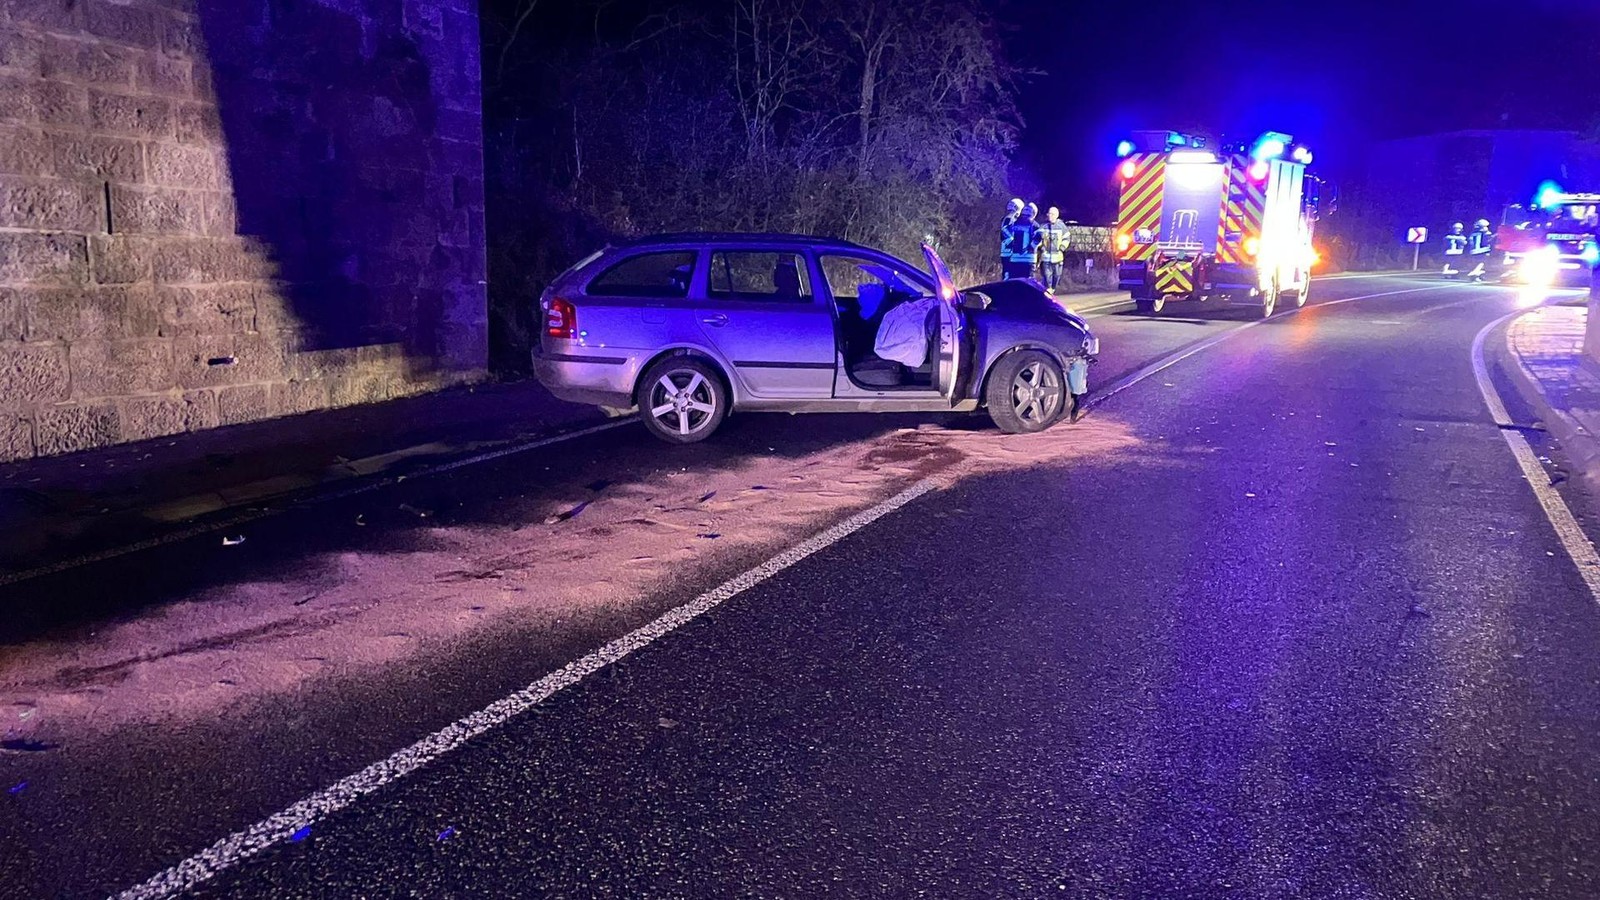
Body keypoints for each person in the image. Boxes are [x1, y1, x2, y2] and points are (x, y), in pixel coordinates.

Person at [1036, 206, 1070, 295]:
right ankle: (1048, 290)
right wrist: (1041, 247)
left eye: (1052, 214)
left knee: (1057, 275)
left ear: (1056, 215)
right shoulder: (1043, 226)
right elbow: (1037, 238)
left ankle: (1053, 288)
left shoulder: (1062, 227)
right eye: (1049, 214)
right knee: (1047, 276)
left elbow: (1067, 238)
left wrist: (1062, 247)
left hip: (1058, 257)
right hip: (1046, 256)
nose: (1050, 216)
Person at [1001, 202, 1039, 280]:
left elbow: (1005, 231)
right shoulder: (1035, 225)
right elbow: (1039, 238)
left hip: (1016, 258)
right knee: (1028, 283)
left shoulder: (1015, 223)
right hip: (1029, 259)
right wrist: (1030, 247)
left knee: (1015, 282)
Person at [999, 198, 1023, 277]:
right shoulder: (1009, 219)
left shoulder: (1008, 218)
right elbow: (1005, 231)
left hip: (1009, 250)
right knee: (1008, 272)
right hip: (1009, 250)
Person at [1466, 218, 1494, 283]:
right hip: (1482, 251)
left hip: (1473, 251)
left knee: (1476, 263)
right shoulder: (1487, 233)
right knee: (1481, 263)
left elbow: (1470, 242)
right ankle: (1474, 274)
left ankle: (1479, 275)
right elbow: (1488, 242)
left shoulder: (1472, 234)